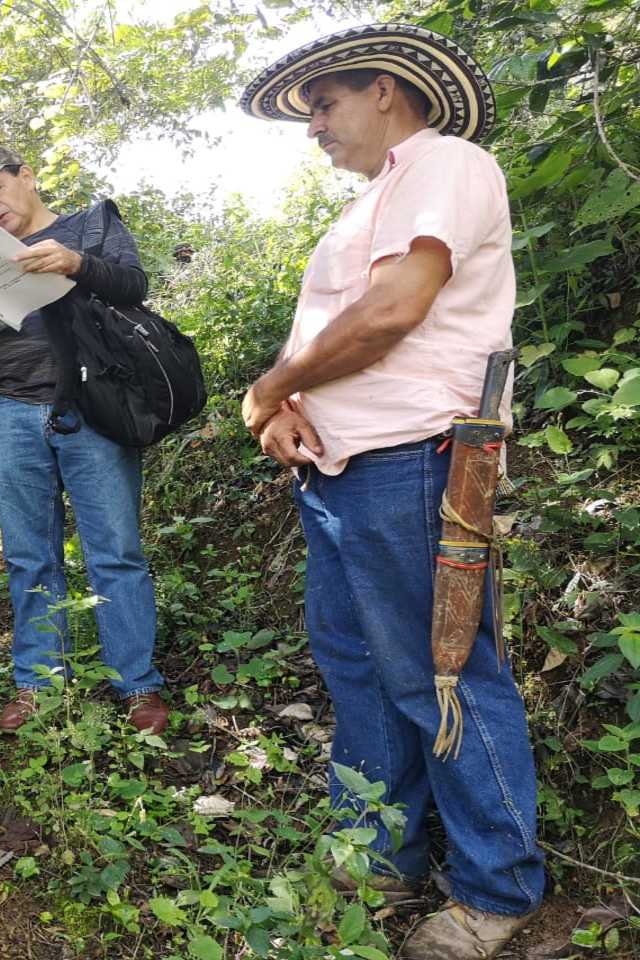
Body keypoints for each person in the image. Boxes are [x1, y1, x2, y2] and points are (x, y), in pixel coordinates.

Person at [238, 24, 544, 958]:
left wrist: (269, 388)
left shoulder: (446, 163)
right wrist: (291, 406)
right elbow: (339, 332)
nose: (313, 127)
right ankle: (376, 855)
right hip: (341, 468)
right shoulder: (373, 198)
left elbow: (393, 310)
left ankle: (496, 890)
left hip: (416, 459)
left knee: (439, 672)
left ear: (385, 90)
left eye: (324, 104)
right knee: (359, 669)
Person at [0, 144, 168, 737]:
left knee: (115, 552)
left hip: (92, 407)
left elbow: (134, 287)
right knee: (28, 554)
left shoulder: (89, 225)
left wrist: (77, 263)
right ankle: (38, 681)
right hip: (8, 411)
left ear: (26, 176)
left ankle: (137, 683)